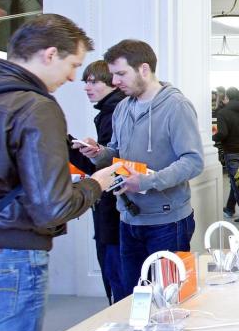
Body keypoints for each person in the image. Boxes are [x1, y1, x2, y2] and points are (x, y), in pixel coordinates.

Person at [0, 15, 121, 331]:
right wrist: (94, 184)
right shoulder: (35, 106)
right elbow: (51, 206)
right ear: (50, 54)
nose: (72, 77)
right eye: (73, 65)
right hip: (15, 250)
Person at [80, 39, 205, 296]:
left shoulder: (176, 107)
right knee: (133, 297)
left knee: (169, 297)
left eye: (121, 74)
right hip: (128, 218)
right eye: (113, 75)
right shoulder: (122, 108)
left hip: (167, 221)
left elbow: (193, 161)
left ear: (144, 70)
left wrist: (147, 182)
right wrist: (99, 153)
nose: (115, 82)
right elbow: (117, 153)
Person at [70, 60, 126, 303]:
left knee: (116, 275)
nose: (86, 87)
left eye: (93, 81)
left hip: (115, 208)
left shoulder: (113, 112)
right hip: (115, 207)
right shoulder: (111, 112)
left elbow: (111, 167)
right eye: (86, 81)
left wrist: (67, 147)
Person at [213, 87, 239, 224]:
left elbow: (223, 133)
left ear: (227, 98)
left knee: (237, 182)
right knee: (236, 180)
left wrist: (212, 137)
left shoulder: (223, 113)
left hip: (231, 151)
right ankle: (230, 209)